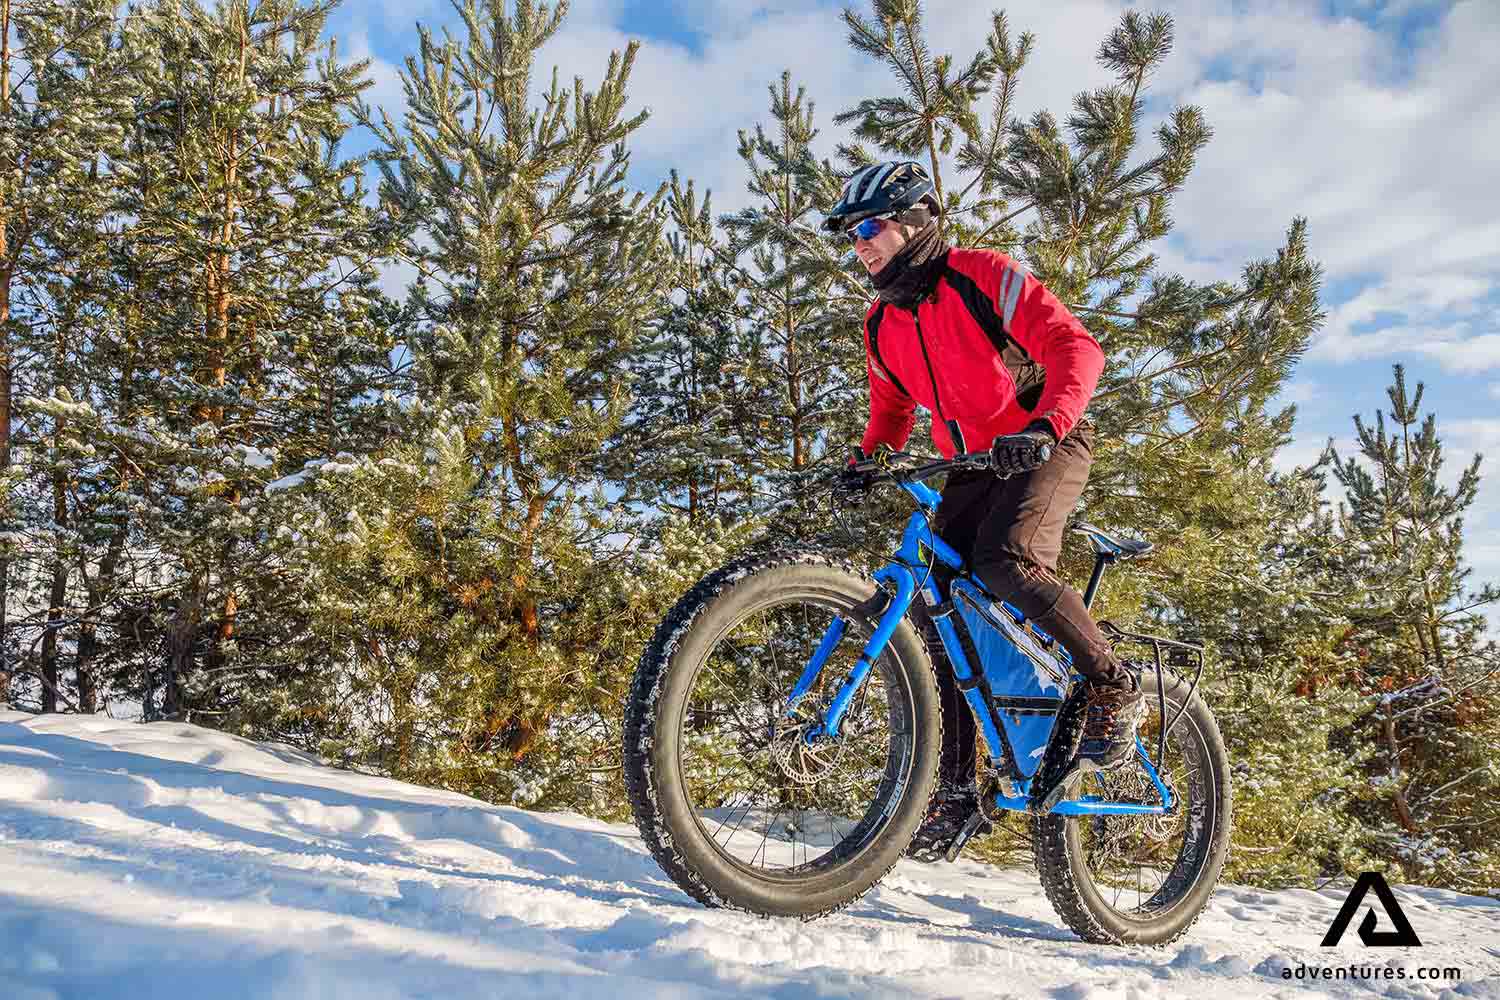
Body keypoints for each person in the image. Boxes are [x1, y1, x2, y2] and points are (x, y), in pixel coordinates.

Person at [827, 160, 1145, 859]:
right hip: (971, 463)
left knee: (1005, 560)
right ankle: (957, 792)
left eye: (870, 227)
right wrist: (867, 460)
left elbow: (1077, 347)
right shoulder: (882, 324)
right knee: (939, 608)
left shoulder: (983, 274)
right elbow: (891, 412)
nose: (860, 245)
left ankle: (1113, 683)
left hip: (1045, 438)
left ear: (916, 221)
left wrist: (1045, 426)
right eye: (851, 236)